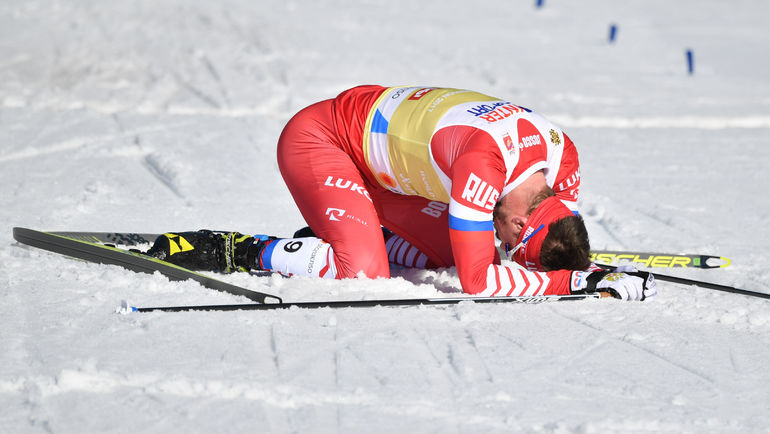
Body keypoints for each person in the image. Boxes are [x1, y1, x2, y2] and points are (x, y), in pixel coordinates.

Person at [147, 85, 656, 301]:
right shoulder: (483, 167)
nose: (506, 248)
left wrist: (587, 268)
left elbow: (547, 242)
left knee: (444, 253)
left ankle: (344, 233)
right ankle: (241, 249)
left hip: (389, 169)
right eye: (511, 245)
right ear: (521, 224)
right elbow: (479, 281)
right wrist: (570, 285)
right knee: (363, 270)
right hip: (321, 140)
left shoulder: (561, 160)